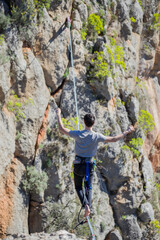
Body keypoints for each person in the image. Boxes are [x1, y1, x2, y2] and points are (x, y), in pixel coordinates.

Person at [55, 108, 134, 217]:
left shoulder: (78, 134)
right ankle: (89, 207)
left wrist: (58, 114)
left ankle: (85, 205)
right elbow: (114, 139)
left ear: (84, 122)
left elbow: (61, 128)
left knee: (78, 187)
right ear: (94, 123)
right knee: (88, 186)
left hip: (78, 165)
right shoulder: (97, 136)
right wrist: (127, 131)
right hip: (89, 165)